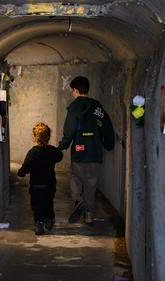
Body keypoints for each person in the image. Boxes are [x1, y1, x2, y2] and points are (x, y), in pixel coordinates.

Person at [57, 76, 115, 225]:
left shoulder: (74, 108)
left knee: (74, 176)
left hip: (79, 152)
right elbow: (106, 126)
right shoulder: (97, 108)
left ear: (75, 90)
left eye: (72, 91)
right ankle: (88, 216)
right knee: (91, 184)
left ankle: (78, 200)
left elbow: (69, 132)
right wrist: (109, 144)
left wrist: (62, 146)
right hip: (94, 153)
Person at [18, 122, 64, 235]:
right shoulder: (52, 151)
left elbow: (26, 166)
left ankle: (39, 223)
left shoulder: (33, 152)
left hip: (36, 185)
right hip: (49, 184)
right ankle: (49, 219)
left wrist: (21, 173)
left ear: (35, 137)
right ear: (48, 136)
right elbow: (60, 156)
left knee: (37, 205)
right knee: (48, 202)